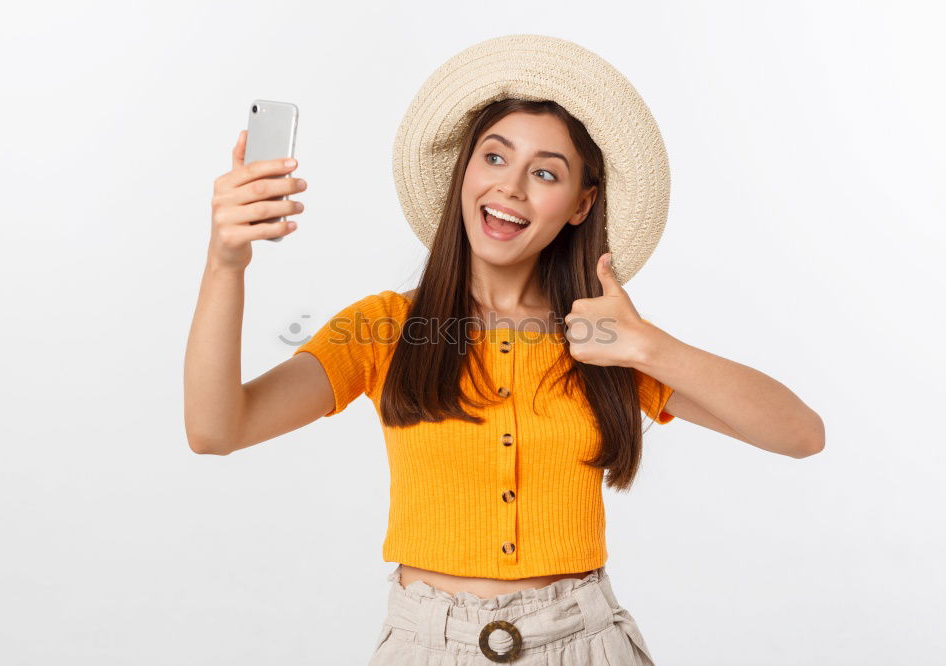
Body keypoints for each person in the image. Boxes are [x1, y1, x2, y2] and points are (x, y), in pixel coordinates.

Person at [184, 34, 825, 666]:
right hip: (426, 646)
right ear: (465, 171)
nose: (511, 187)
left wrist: (651, 348)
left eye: (545, 172)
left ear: (581, 204)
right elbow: (216, 429)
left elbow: (801, 434)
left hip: (586, 644)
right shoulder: (386, 328)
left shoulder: (605, 339)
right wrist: (225, 262)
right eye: (494, 157)